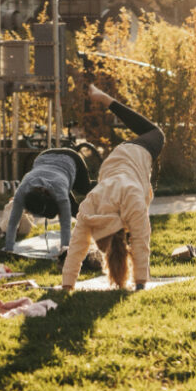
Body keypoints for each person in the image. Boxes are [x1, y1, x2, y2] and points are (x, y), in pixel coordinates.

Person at [60, 84, 163, 290]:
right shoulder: (90, 205)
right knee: (155, 132)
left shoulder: (126, 199)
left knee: (157, 133)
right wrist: (66, 285)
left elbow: (77, 249)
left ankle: (105, 98)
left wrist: (67, 285)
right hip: (112, 165)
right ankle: (104, 98)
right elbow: (140, 239)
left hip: (134, 155)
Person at [1, 147, 92, 255]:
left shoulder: (61, 194)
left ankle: (106, 184)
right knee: (74, 211)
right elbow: (13, 222)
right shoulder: (22, 192)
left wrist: (65, 248)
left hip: (70, 158)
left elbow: (65, 223)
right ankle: (91, 221)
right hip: (44, 158)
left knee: (84, 188)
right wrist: (9, 248)